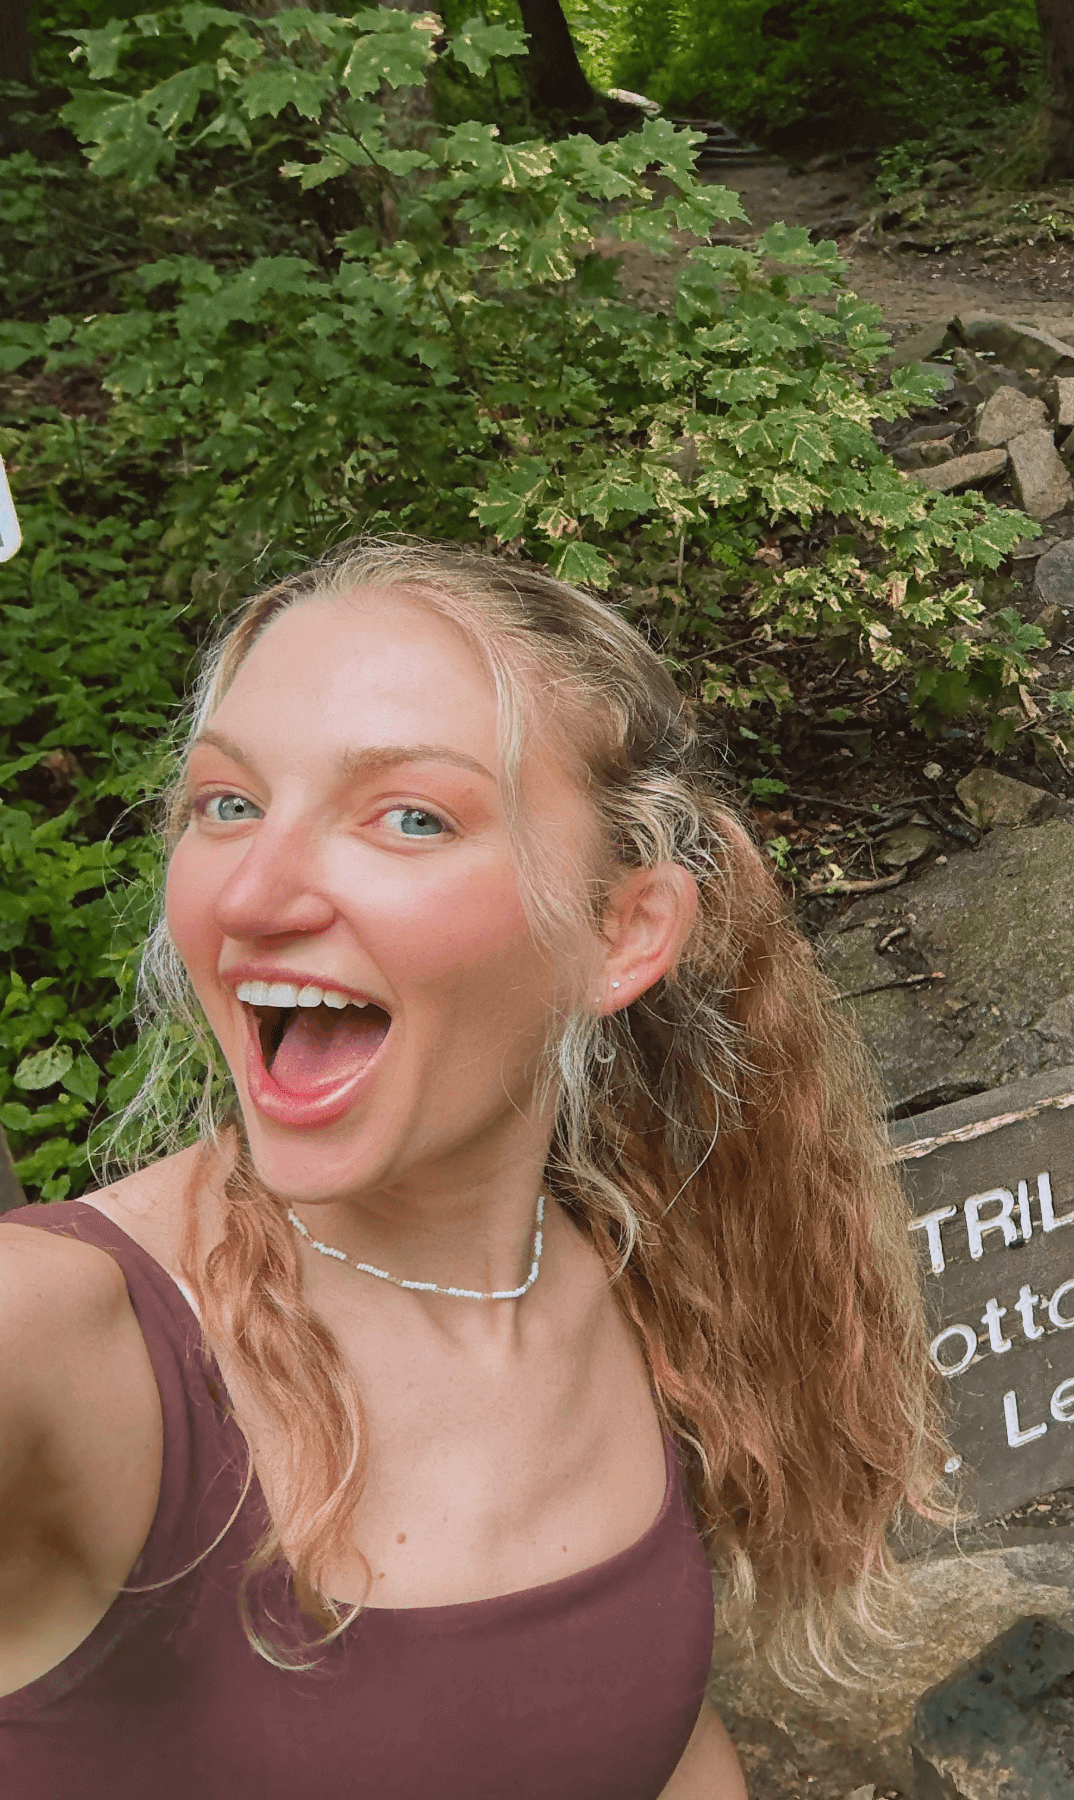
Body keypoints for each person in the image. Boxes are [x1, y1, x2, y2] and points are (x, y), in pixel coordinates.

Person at [0, 545, 948, 1797]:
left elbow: (639, 1743)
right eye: (227, 804)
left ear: (622, 933)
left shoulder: (642, 1271)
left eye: (409, 817)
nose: (255, 893)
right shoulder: (71, 1340)